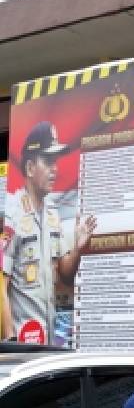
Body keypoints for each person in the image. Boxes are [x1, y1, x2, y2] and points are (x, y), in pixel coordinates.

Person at [1, 121, 96, 343]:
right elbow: (0, 286)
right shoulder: (13, 216)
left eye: (55, 161)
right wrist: (10, 338)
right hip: (21, 340)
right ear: (30, 168)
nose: (55, 168)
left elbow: (65, 273)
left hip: (48, 339)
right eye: (48, 161)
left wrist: (78, 249)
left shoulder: (53, 215)